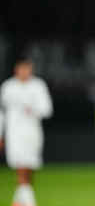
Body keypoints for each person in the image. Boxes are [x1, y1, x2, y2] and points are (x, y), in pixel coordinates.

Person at [0, 56, 53, 206]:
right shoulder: (8, 87)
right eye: (21, 68)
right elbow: (1, 114)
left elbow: (47, 110)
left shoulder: (38, 86)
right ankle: (29, 202)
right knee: (21, 168)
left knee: (29, 169)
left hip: (32, 133)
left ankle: (18, 202)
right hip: (14, 134)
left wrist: (32, 108)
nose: (24, 71)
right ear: (16, 69)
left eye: (27, 68)